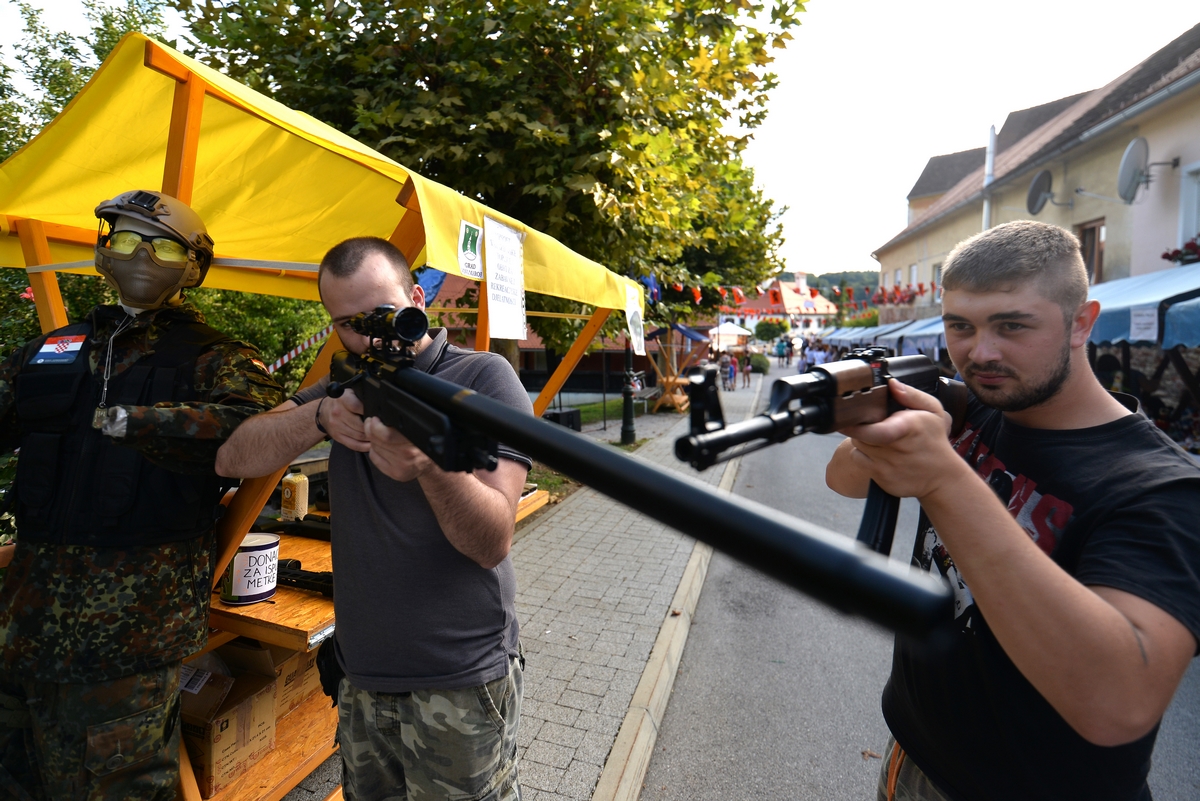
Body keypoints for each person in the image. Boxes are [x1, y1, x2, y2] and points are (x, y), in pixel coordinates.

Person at [825, 221, 1200, 801]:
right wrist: (874, 434)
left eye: (1012, 325)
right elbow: (843, 480)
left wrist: (945, 476)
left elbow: (1118, 703)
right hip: (913, 757)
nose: (981, 352)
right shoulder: (970, 407)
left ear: (1081, 321)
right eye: (961, 326)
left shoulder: (1163, 488)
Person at [214, 237, 531, 801]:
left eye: (384, 316)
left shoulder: (485, 379)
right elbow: (233, 456)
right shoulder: (348, 381)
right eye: (348, 324)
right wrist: (321, 414)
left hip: (458, 678)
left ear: (415, 298)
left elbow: (491, 541)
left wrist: (432, 466)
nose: (369, 338)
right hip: (362, 675)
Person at [0, 189, 283, 799]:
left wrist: (141, 422)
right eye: (124, 240)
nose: (139, 257)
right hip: (25, 620)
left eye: (160, 246)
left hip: (130, 634)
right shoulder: (53, 351)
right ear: (103, 253)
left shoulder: (216, 358)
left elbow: (261, 431)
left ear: (192, 268)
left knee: (120, 786)